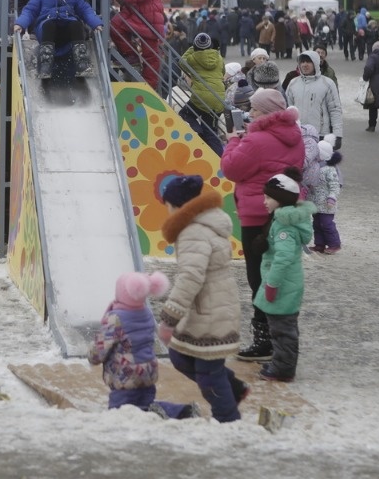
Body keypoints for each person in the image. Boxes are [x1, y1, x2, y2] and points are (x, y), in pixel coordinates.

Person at [220, 89, 305, 362]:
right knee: (279, 272)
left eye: (255, 109)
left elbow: (231, 169)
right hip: (283, 213)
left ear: (266, 112)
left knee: (258, 277)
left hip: (257, 215)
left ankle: (264, 340)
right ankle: (280, 335)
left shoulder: (255, 140)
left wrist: (233, 142)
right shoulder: (295, 137)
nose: (251, 113)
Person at [155, 175, 248, 423]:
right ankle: (235, 388)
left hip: (210, 310)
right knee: (179, 355)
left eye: (168, 204)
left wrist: (169, 317)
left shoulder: (193, 232)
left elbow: (190, 277)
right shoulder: (202, 226)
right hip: (207, 308)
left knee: (209, 374)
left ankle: (228, 421)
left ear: (178, 205)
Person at [89, 271, 198, 419]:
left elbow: (100, 347)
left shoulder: (116, 318)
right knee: (146, 405)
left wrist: (92, 357)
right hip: (148, 374)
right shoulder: (146, 312)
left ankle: (153, 414)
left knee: (118, 415)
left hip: (125, 378)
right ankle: (180, 411)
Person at [254, 168, 316, 382]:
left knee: (283, 330)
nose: (265, 201)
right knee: (281, 327)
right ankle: (281, 362)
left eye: (269, 197)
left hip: (282, 285)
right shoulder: (281, 220)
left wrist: (272, 284)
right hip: (286, 283)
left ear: (281, 200)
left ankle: (284, 369)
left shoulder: (284, 226)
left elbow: (283, 257)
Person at [15, 0, 104, 79]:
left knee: (76, 24)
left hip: (67, 31)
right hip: (48, 30)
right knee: (49, 24)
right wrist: (20, 23)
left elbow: (85, 9)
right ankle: (45, 64)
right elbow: (30, 10)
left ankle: (82, 63)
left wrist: (96, 23)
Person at [180, 32, 225, 155]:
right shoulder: (219, 58)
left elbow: (181, 62)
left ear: (195, 46)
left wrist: (192, 48)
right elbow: (223, 72)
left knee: (185, 114)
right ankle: (220, 161)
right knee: (211, 130)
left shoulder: (192, 58)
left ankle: (197, 133)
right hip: (218, 98)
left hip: (201, 98)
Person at [285, 51, 344, 144]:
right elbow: (287, 109)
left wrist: (338, 135)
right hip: (298, 133)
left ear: (315, 63)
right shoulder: (293, 83)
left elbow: (335, 110)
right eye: (302, 62)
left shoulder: (327, 83)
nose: (305, 65)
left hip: (321, 135)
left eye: (308, 62)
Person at [310, 138, 342, 254]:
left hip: (327, 204)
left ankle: (334, 244)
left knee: (327, 224)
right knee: (316, 224)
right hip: (315, 202)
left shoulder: (330, 169)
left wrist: (332, 197)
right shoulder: (314, 167)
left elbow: (335, 185)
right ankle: (320, 244)